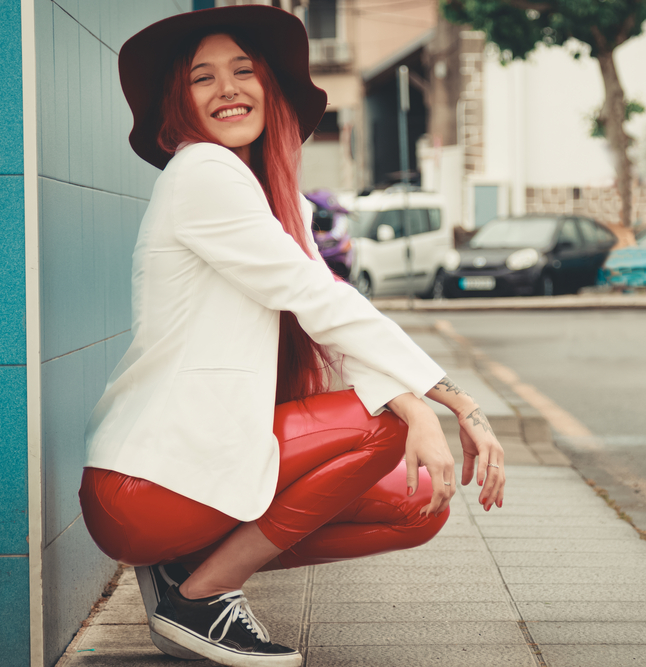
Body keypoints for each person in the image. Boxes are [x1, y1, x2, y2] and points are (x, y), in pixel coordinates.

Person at [78, 6, 505, 666]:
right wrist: (445, 402)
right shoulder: (203, 173)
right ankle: (205, 593)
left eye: (244, 70)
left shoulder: (266, 199)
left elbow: (331, 326)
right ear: (179, 103)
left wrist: (421, 399)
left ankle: (191, 567)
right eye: (203, 78)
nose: (228, 89)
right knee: (380, 426)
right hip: (145, 480)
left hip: (181, 477)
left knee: (420, 503)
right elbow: (319, 302)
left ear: (271, 87)